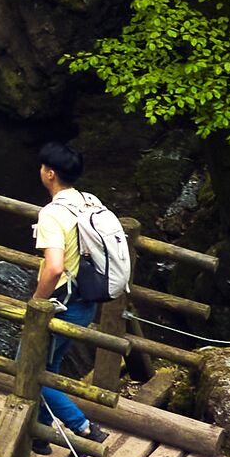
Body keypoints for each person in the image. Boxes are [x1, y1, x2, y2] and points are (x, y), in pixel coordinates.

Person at [27, 142, 132, 436]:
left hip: (61, 303)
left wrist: (36, 302)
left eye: (42, 168)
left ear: (49, 174)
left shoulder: (51, 214)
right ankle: (41, 434)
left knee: (28, 365)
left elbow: (54, 267)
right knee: (52, 362)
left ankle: (84, 427)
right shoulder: (90, 200)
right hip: (87, 300)